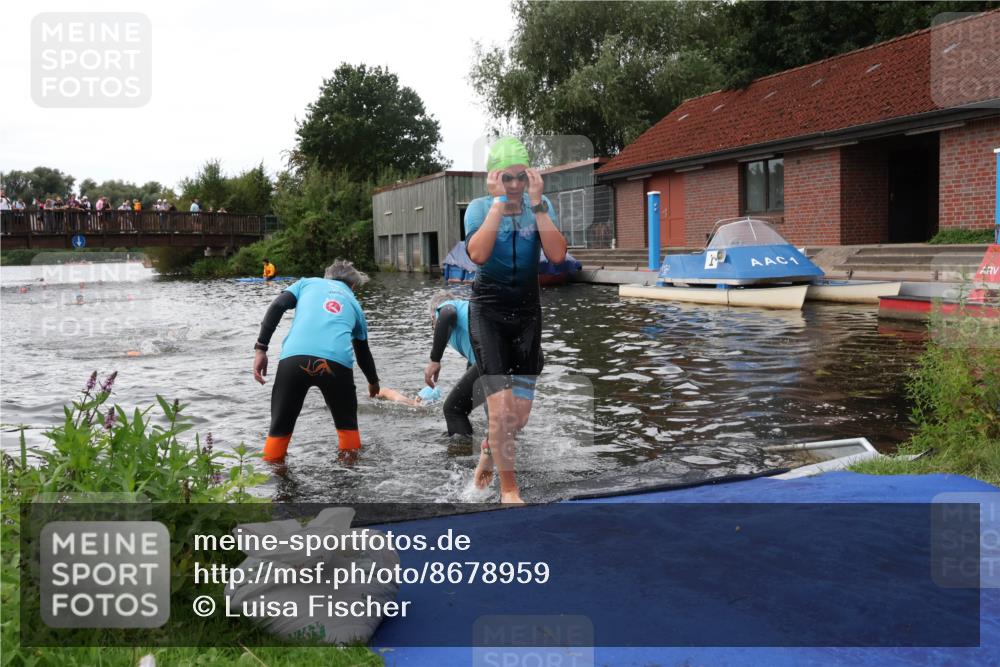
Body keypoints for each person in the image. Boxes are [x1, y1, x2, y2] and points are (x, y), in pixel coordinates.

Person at [463, 137, 567, 503]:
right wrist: (496, 204)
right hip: (488, 311)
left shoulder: (541, 206)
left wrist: (538, 207)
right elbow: (477, 254)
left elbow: (556, 256)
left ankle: (490, 451)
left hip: (526, 315)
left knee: (517, 417)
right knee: (501, 408)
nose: (514, 186)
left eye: (520, 177)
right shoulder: (478, 209)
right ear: (494, 178)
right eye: (507, 178)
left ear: (529, 176)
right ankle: (509, 490)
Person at [252, 259, 380, 463]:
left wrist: (261, 348)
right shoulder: (355, 304)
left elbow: (277, 305)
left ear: (326, 276)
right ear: (353, 285)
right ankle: (349, 481)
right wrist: (374, 383)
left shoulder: (306, 283)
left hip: (294, 359)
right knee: (348, 432)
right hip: (336, 365)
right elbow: (363, 352)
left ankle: (273, 482)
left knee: (279, 430)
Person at [423, 291, 484, 438]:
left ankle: (462, 458)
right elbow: (473, 366)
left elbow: (447, 314)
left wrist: (435, 359)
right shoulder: (468, 314)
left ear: (433, 316)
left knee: (453, 410)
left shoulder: (446, 308)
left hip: (494, 360)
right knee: (500, 417)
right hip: (519, 360)